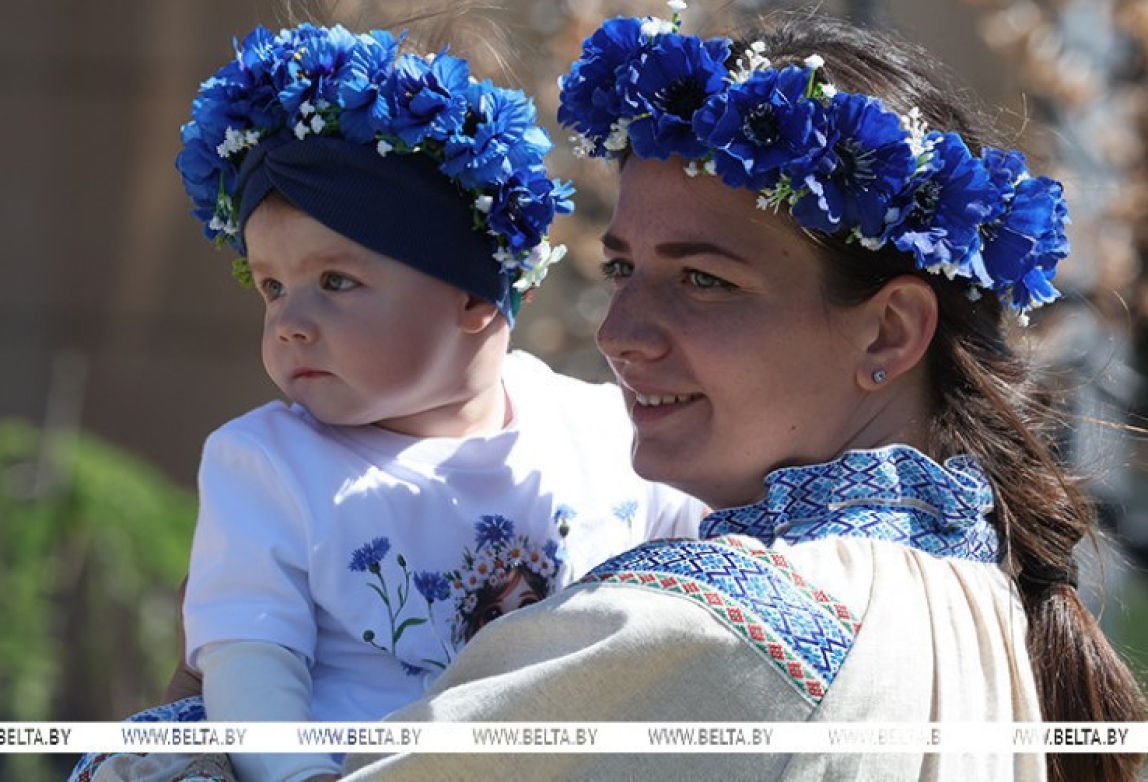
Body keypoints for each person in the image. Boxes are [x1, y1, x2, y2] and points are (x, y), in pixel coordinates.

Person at [72, 6, 1146, 782]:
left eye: (704, 280)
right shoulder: (975, 603)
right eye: (621, 267)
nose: (619, 333)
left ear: (890, 330)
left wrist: (186, 729)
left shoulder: (724, 629)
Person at [131, 17, 706, 782]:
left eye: (336, 281)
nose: (290, 322)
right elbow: (250, 661)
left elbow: (709, 588)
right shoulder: (267, 463)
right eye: (272, 287)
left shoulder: (604, 430)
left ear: (473, 292)